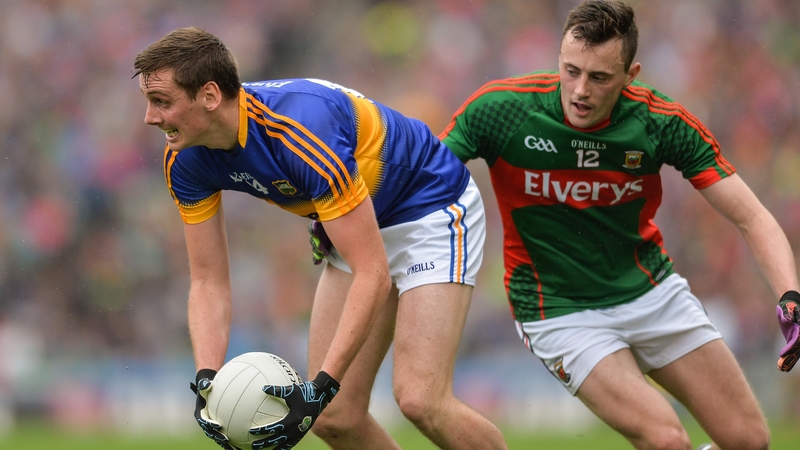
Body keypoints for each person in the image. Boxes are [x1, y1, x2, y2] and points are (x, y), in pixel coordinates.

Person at [439, 1, 800, 449]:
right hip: (558, 310)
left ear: (631, 75)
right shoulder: (500, 111)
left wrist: (790, 295)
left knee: (750, 442)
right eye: (571, 71)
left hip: (652, 292)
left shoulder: (659, 122)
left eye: (600, 77)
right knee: (667, 439)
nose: (580, 90)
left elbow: (753, 217)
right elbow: (421, 175)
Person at [133, 27, 507, 450]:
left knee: (420, 400)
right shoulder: (183, 159)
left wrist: (322, 384)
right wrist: (207, 377)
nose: (150, 117)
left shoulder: (299, 131)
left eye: (162, 102)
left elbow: (373, 274)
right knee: (334, 418)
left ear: (210, 96)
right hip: (355, 221)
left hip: (431, 209)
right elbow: (207, 280)